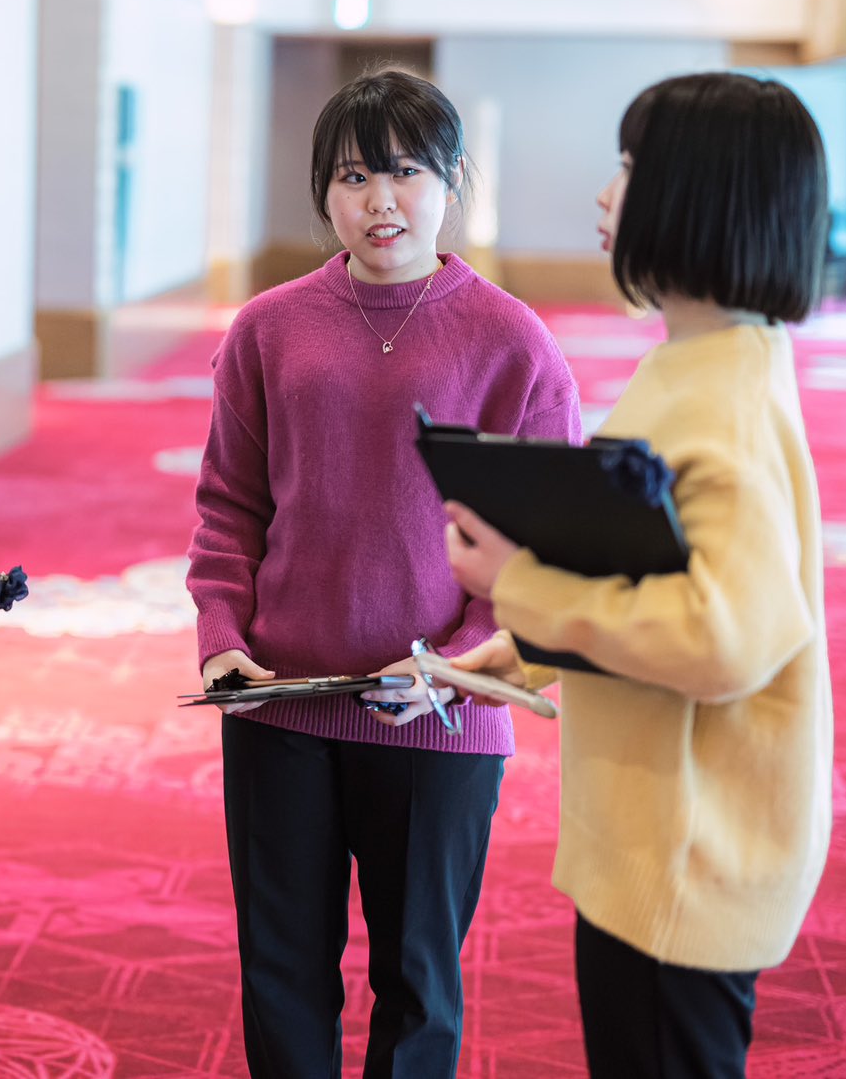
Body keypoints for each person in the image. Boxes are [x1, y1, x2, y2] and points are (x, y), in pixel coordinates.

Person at [187, 68, 582, 1077]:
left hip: (441, 715)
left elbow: (541, 548)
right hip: (282, 703)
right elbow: (229, 507)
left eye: (405, 173)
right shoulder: (268, 328)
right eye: (354, 176)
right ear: (323, 190)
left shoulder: (511, 341)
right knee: (279, 974)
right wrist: (224, 642)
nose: (379, 202)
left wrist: (452, 664)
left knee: (416, 984)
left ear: (451, 181)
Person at [443, 72, 834, 1078]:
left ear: (697, 195)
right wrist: (525, 644)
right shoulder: (704, 363)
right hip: (661, 842)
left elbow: (722, 638)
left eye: (626, 166)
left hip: (686, 859)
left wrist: (522, 584)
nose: (604, 194)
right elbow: (649, 567)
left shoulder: (723, 400)